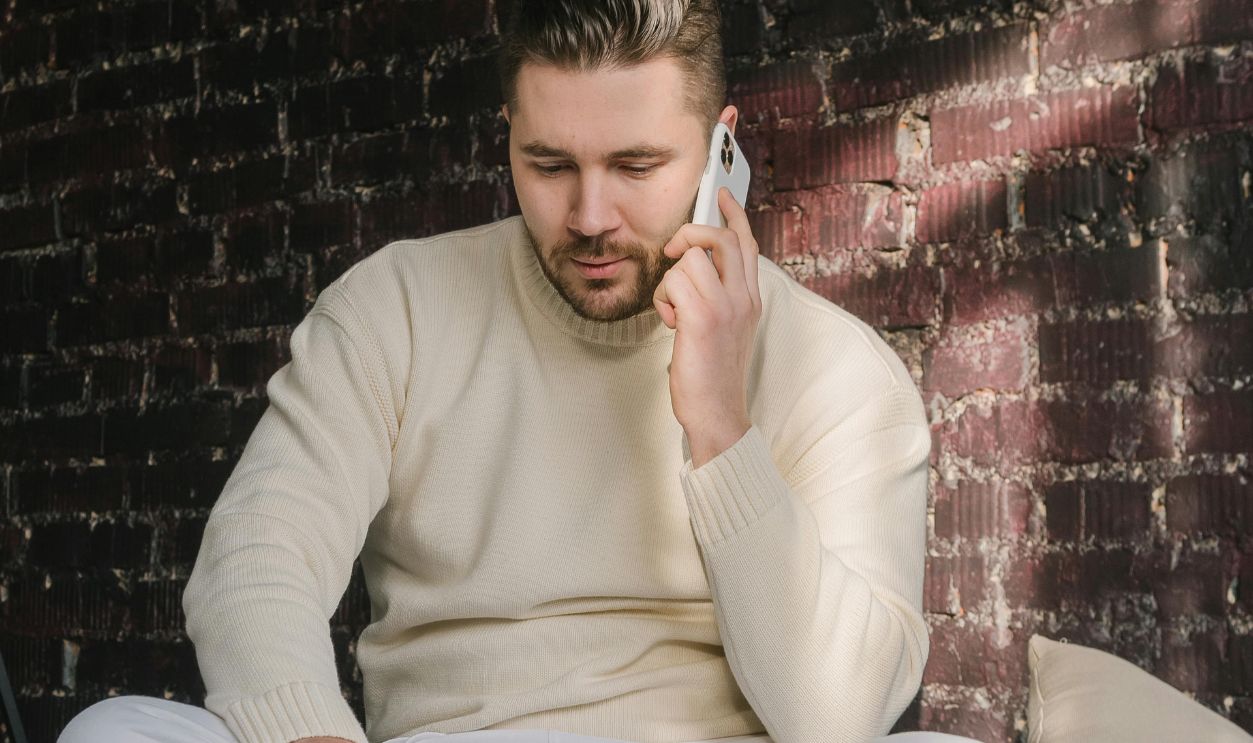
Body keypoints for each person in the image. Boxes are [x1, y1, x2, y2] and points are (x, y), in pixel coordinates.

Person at [59, 1, 985, 742]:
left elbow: (837, 719)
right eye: (548, 164)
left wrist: (720, 425)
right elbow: (256, 558)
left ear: (720, 149)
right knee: (118, 730)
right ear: (507, 134)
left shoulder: (835, 368)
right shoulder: (398, 307)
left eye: (636, 165)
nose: (589, 215)